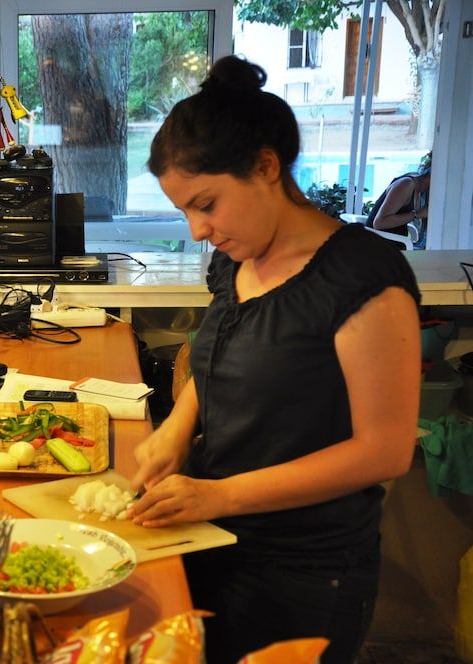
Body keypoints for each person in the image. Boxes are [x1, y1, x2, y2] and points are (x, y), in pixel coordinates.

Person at [128, 55, 420, 664]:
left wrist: (221, 496)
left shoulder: (361, 277)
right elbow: (219, 363)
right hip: (211, 540)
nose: (197, 230)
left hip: (304, 573)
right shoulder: (235, 263)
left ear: (266, 166)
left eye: (206, 204)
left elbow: (383, 451)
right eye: (184, 210)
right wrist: (178, 430)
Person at [365, 153, 432, 247]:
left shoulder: (420, 187)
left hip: (394, 243)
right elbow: (379, 223)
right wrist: (416, 214)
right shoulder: (407, 184)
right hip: (379, 246)